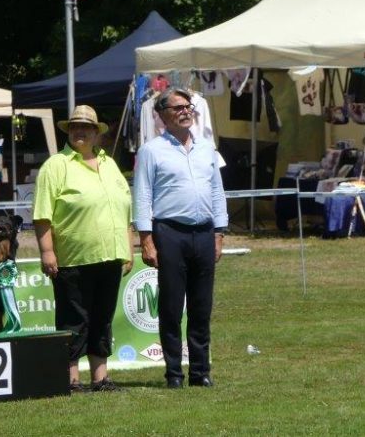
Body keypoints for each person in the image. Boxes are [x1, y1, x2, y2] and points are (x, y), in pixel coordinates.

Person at [32, 105, 134, 393]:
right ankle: (70, 379)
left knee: (102, 318)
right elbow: (42, 215)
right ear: (68, 131)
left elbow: (124, 211)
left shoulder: (110, 164)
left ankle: (101, 378)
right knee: (73, 319)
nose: (80, 132)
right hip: (72, 257)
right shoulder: (56, 165)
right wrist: (47, 252)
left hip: (110, 255)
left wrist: (127, 249)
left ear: (96, 133)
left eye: (86, 127)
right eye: (75, 127)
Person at [133, 87, 228, 389]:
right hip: (169, 232)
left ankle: (201, 371)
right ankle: (174, 372)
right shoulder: (151, 151)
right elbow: (143, 195)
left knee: (202, 306)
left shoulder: (207, 149)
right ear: (162, 116)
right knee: (172, 307)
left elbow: (216, 191)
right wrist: (146, 239)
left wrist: (219, 233)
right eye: (178, 107)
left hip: (203, 231)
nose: (186, 111)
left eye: (188, 106)